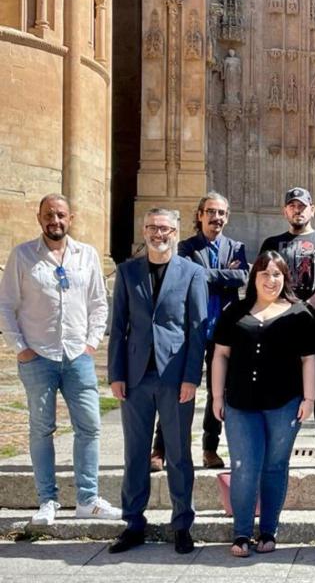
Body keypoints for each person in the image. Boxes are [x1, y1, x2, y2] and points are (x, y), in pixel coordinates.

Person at [0, 193, 121, 526]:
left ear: (72, 218)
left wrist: (92, 343)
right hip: (37, 356)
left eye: (61, 215)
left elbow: (99, 303)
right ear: (39, 219)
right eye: (49, 215)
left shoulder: (87, 255)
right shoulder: (23, 256)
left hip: (77, 356)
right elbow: (6, 305)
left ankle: (87, 499)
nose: (56, 221)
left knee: (90, 427)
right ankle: (47, 501)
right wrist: (21, 347)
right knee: (42, 429)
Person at [107, 208, 208, 555]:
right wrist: (116, 374)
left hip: (175, 377)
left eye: (164, 228)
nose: (158, 233)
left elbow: (198, 330)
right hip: (135, 378)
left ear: (176, 231)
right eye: (152, 227)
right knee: (135, 454)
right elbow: (118, 328)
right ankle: (134, 522)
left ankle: (182, 524)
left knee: (179, 453)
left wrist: (192, 377)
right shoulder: (127, 271)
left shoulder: (193, 273)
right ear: (144, 230)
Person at [211, 251, 315, 557]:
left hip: (284, 404)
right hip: (240, 404)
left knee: (274, 467)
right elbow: (220, 354)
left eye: (277, 275)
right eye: (264, 274)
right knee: (245, 466)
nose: (270, 280)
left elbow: (309, 359)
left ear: (285, 278)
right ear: (254, 277)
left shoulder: (300, 313)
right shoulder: (235, 311)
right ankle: (242, 533)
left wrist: (309, 399)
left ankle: (269, 530)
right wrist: (217, 397)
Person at [151, 191, 248, 471]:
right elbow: (184, 276)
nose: (216, 217)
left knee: (219, 390)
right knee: (177, 389)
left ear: (227, 217)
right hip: (190, 330)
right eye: (211, 212)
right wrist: (221, 276)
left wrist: (205, 274)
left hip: (224, 331)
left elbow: (241, 276)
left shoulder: (236, 248)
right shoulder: (185, 247)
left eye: (221, 213)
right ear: (200, 215)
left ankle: (210, 448)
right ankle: (161, 448)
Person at [259, 187, 315, 468]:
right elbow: (263, 280)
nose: (297, 210)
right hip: (281, 326)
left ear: (312, 209)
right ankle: (277, 447)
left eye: (302, 206)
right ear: (285, 210)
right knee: (282, 385)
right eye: (292, 206)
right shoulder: (273, 243)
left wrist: (305, 307)